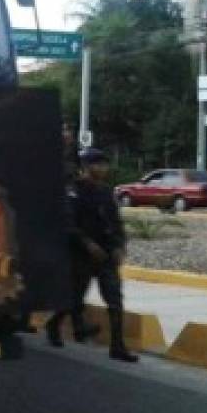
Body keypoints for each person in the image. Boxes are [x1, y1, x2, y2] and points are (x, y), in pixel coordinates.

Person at [47, 148, 138, 363]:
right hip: (82, 255)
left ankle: (118, 346)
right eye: (97, 164)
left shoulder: (106, 192)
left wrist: (119, 245)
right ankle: (54, 324)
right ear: (86, 167)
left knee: (115, 300)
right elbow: (69, 224)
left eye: (104, 164)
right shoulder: (74, 191)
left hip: (106, 255)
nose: (102, 168)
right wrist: (88, 244)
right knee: (73, 299)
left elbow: (116, 223)